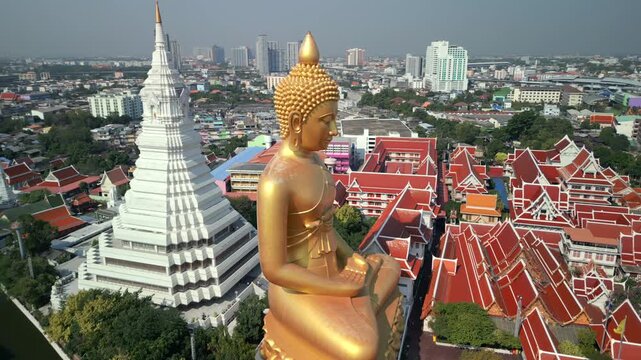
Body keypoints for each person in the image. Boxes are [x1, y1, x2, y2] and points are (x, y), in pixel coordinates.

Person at [257, 32, 403, 360]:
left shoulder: (318, 163)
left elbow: (325, 228)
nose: (335, 129)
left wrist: (353, 257)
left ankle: (359, 304)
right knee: (361, 349)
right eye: (326, 120)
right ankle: (361, 304)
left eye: (334, 118)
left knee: (391, 266)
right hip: (295, 288)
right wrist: (344, 287)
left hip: (333, 273)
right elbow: (276, 270)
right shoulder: (276, 181)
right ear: (296, 121)